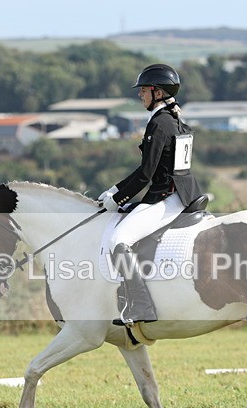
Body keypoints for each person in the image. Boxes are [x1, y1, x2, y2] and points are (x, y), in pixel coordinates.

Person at [99, 63, 203, 326]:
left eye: (144, 90)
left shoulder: (159, 123)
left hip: (168, 198)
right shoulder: (173, 118)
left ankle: (141, 305)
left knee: (118, 240)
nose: (140, 95)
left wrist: (117, 200)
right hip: (184, 192)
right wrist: (116, 190)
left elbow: (146, 175)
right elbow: (147, 168)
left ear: (157, 92)